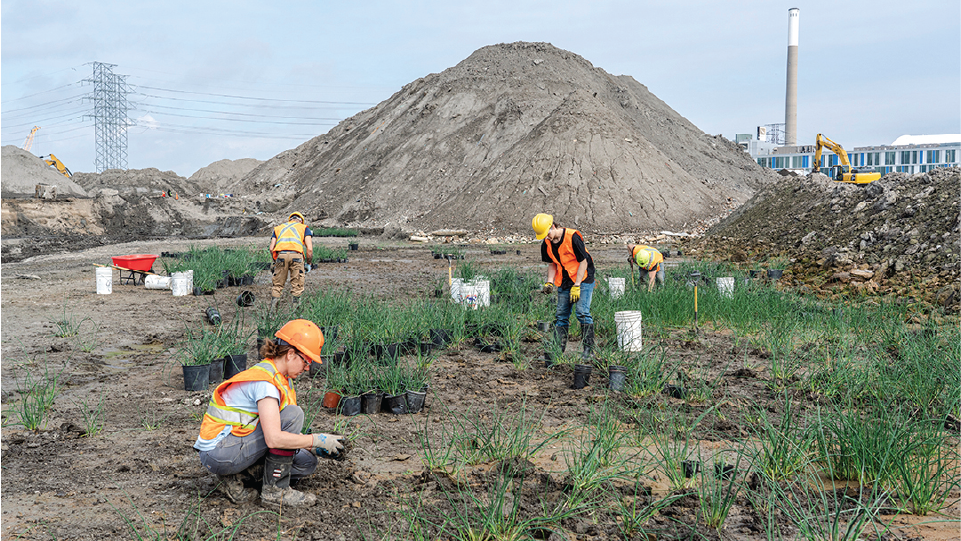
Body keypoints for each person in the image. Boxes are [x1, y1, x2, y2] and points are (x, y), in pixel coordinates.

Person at [194, 319, 344, 508]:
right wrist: (315, 440)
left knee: (306, 462)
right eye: (306, 361)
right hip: (219, 451)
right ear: (290, 354)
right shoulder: (266, 383)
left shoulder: (280, 379)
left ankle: (237, 478)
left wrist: (313, 447)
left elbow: (276, 429)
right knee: (294, 414)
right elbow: (274, 438)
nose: (307, 368)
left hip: (237, 443)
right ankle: (276, 492)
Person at [532, 213, 596, 361]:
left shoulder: (573, 237)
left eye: (547, 233)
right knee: (561, 316)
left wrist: (577, 285)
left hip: (583, 278)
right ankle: (557, 351)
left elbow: (584, 262)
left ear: (553, 226)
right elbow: (552, 264)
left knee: (582, 313)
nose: (546, 237)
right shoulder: (546, 244)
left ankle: (589, 351)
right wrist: (549, 281)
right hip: (564, 280)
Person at [269, 212, 313, 310]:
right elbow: (309, 249)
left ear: (290, 219)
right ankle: (296, 314)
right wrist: (309, 263)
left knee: (277, 285)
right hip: (297, 256)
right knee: (297, 286)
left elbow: (271, 248)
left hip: (281, 256)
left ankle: (272, 313)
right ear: (301, 220)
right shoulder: (304, 228)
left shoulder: (278, 228)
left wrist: (276, 261)